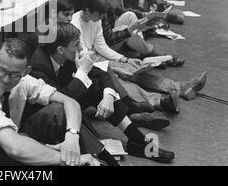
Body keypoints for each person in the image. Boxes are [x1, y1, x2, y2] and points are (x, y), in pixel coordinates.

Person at [29, 23, 175, 163]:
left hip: (65, 102)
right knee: (81, 88)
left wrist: (108, 96)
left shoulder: (65, 54)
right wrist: (82, 72)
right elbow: (60, 100)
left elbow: (101, 74)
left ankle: (137, 140)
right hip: (43, 118)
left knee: (98, 87)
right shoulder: (38, 66)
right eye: (76, 44)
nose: (81, 48)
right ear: (61, 49)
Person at [0, 38, 101, 167]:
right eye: (0, 70)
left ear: (26, 71)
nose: (6, 79)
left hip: (10, 138)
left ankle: (99, 159)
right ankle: (83, 159)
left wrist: (72, 136)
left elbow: (69, 102)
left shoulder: (25, 80)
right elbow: (14, 148)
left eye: (14, 74)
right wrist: (69, 159)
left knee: (59, 110)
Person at [71, 0, 207, 103]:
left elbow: (101, 46)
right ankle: (159, 99)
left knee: (130, 68)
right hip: (84, 63)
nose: (101, 18)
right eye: (99, 15)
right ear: (88, 11)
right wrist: (116, 66)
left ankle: (177, 87)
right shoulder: (75, 24)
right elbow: (84, 55)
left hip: (93, 56)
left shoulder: (95, 18)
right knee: (120, 77)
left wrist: (124, 59)